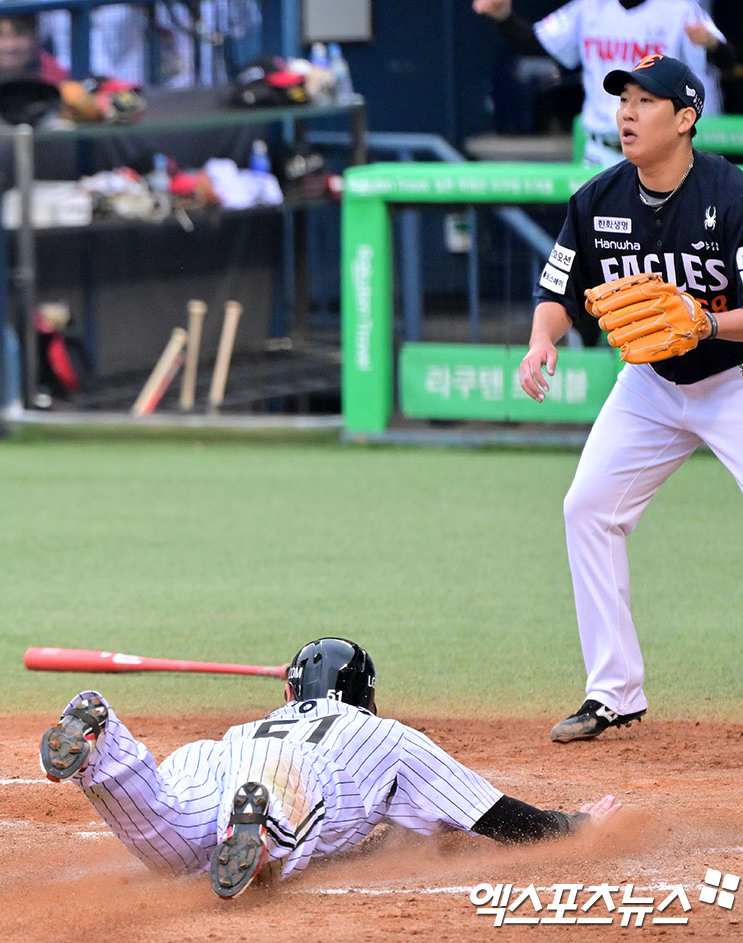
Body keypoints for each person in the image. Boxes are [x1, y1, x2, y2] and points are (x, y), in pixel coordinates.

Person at [519, 55, 743, 742]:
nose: (626, 113)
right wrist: (541, 340)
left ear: (686, 118)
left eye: (647, 102)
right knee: (587, 506)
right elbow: (558, 292)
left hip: (734, 375)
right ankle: (613, 691)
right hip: (650, 382)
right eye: (623, 100)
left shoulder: (732, 196)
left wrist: (706, 321)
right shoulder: (595, 200)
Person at [40, 638, 620, 898]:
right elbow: (491, 814)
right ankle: (261, 830)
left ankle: (105, 743)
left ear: (295, 690)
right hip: (290, 777)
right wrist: (570, 824)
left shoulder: (264, 719)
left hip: (222, 757)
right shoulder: (384, 735)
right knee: (290, 807)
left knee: (169, 837)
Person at [473, 0, 732, 167]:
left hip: (663, 154)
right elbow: (534, 43)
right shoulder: (588, 7)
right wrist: (504, 16)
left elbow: (726, 59)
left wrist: (711, 46)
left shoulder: (680, 8)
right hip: (600, 152)